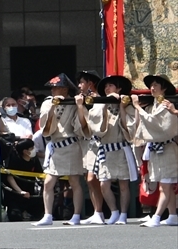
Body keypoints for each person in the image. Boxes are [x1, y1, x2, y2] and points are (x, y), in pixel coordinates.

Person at [34, 74, 90, 226]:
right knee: (48, 183)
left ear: (65, 89)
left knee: (74, 181)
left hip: (70, 144)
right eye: (52, 88)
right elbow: (45, 125)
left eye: (57, 87)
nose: (53, 90)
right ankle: (47, 215)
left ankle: (76, 215)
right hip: (55, 146)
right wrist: (53, 106)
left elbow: (80, 125)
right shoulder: (47, 103)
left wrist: (79, 106)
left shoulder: (73, 102)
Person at [86, 75, 137, 225]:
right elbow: (95, 126)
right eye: (106, 86)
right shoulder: (100, 104)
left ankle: (123, 214)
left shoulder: (127, 105)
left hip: (120, 147)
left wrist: (121, 107)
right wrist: (103, 103)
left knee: (123, 184)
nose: (107, 88)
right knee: (104, 183)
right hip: (105, 149)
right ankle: (114, 211)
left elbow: (129, 127)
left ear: (119, 88)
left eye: (111, 86)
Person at [137, 74, 178, 226]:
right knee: (166, 184)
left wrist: (137, 108)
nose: (152, 88)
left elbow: (159, 127)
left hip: (167, 149)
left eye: (156, 85)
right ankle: (173, 215)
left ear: (164, 88)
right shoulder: (155, 104)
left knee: (165, 186)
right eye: (151, 85)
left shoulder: (167, 104)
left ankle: (156, 217)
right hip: (159, 149)